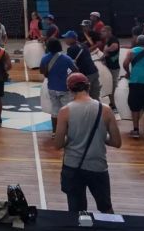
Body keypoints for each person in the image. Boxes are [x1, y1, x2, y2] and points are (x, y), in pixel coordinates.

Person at [54, 73, 121, 214]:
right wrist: (101, 137)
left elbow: (58, 144)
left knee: (76, 211)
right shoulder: (106, 110)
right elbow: (116, 142)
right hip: (98, 165)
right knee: (106, 208)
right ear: (88, 86)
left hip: (73, 166)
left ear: (69, 89)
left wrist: (72, 139)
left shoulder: (64, 112)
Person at [40, 38, 78, 137]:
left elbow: (42, 71)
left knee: (55, 111)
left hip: (52, 87)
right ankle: (68, 132)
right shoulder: (66, 58)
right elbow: (76, 70)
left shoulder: (44, 58)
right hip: (65, 88)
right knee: (67, 110)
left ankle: (54, 132)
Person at [64, 31, 101, 100]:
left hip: (86, 75)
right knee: (95, 97)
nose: (65, 40)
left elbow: (68, 63)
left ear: (72, 39)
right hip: (94, 72)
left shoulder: (71, 49)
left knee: (85, 98)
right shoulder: (83, 45)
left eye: (66, 38)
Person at [100, 26, 121, 112]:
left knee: (112, 86)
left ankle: (114, 106)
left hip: (113, 67)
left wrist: (106, 51)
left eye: (103, 31)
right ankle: (112, 103)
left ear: (109, 31)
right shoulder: (108, 40)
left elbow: (115, 47)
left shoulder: (113, 39)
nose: (102, 33)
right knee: (109, 85)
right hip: (109, 66)